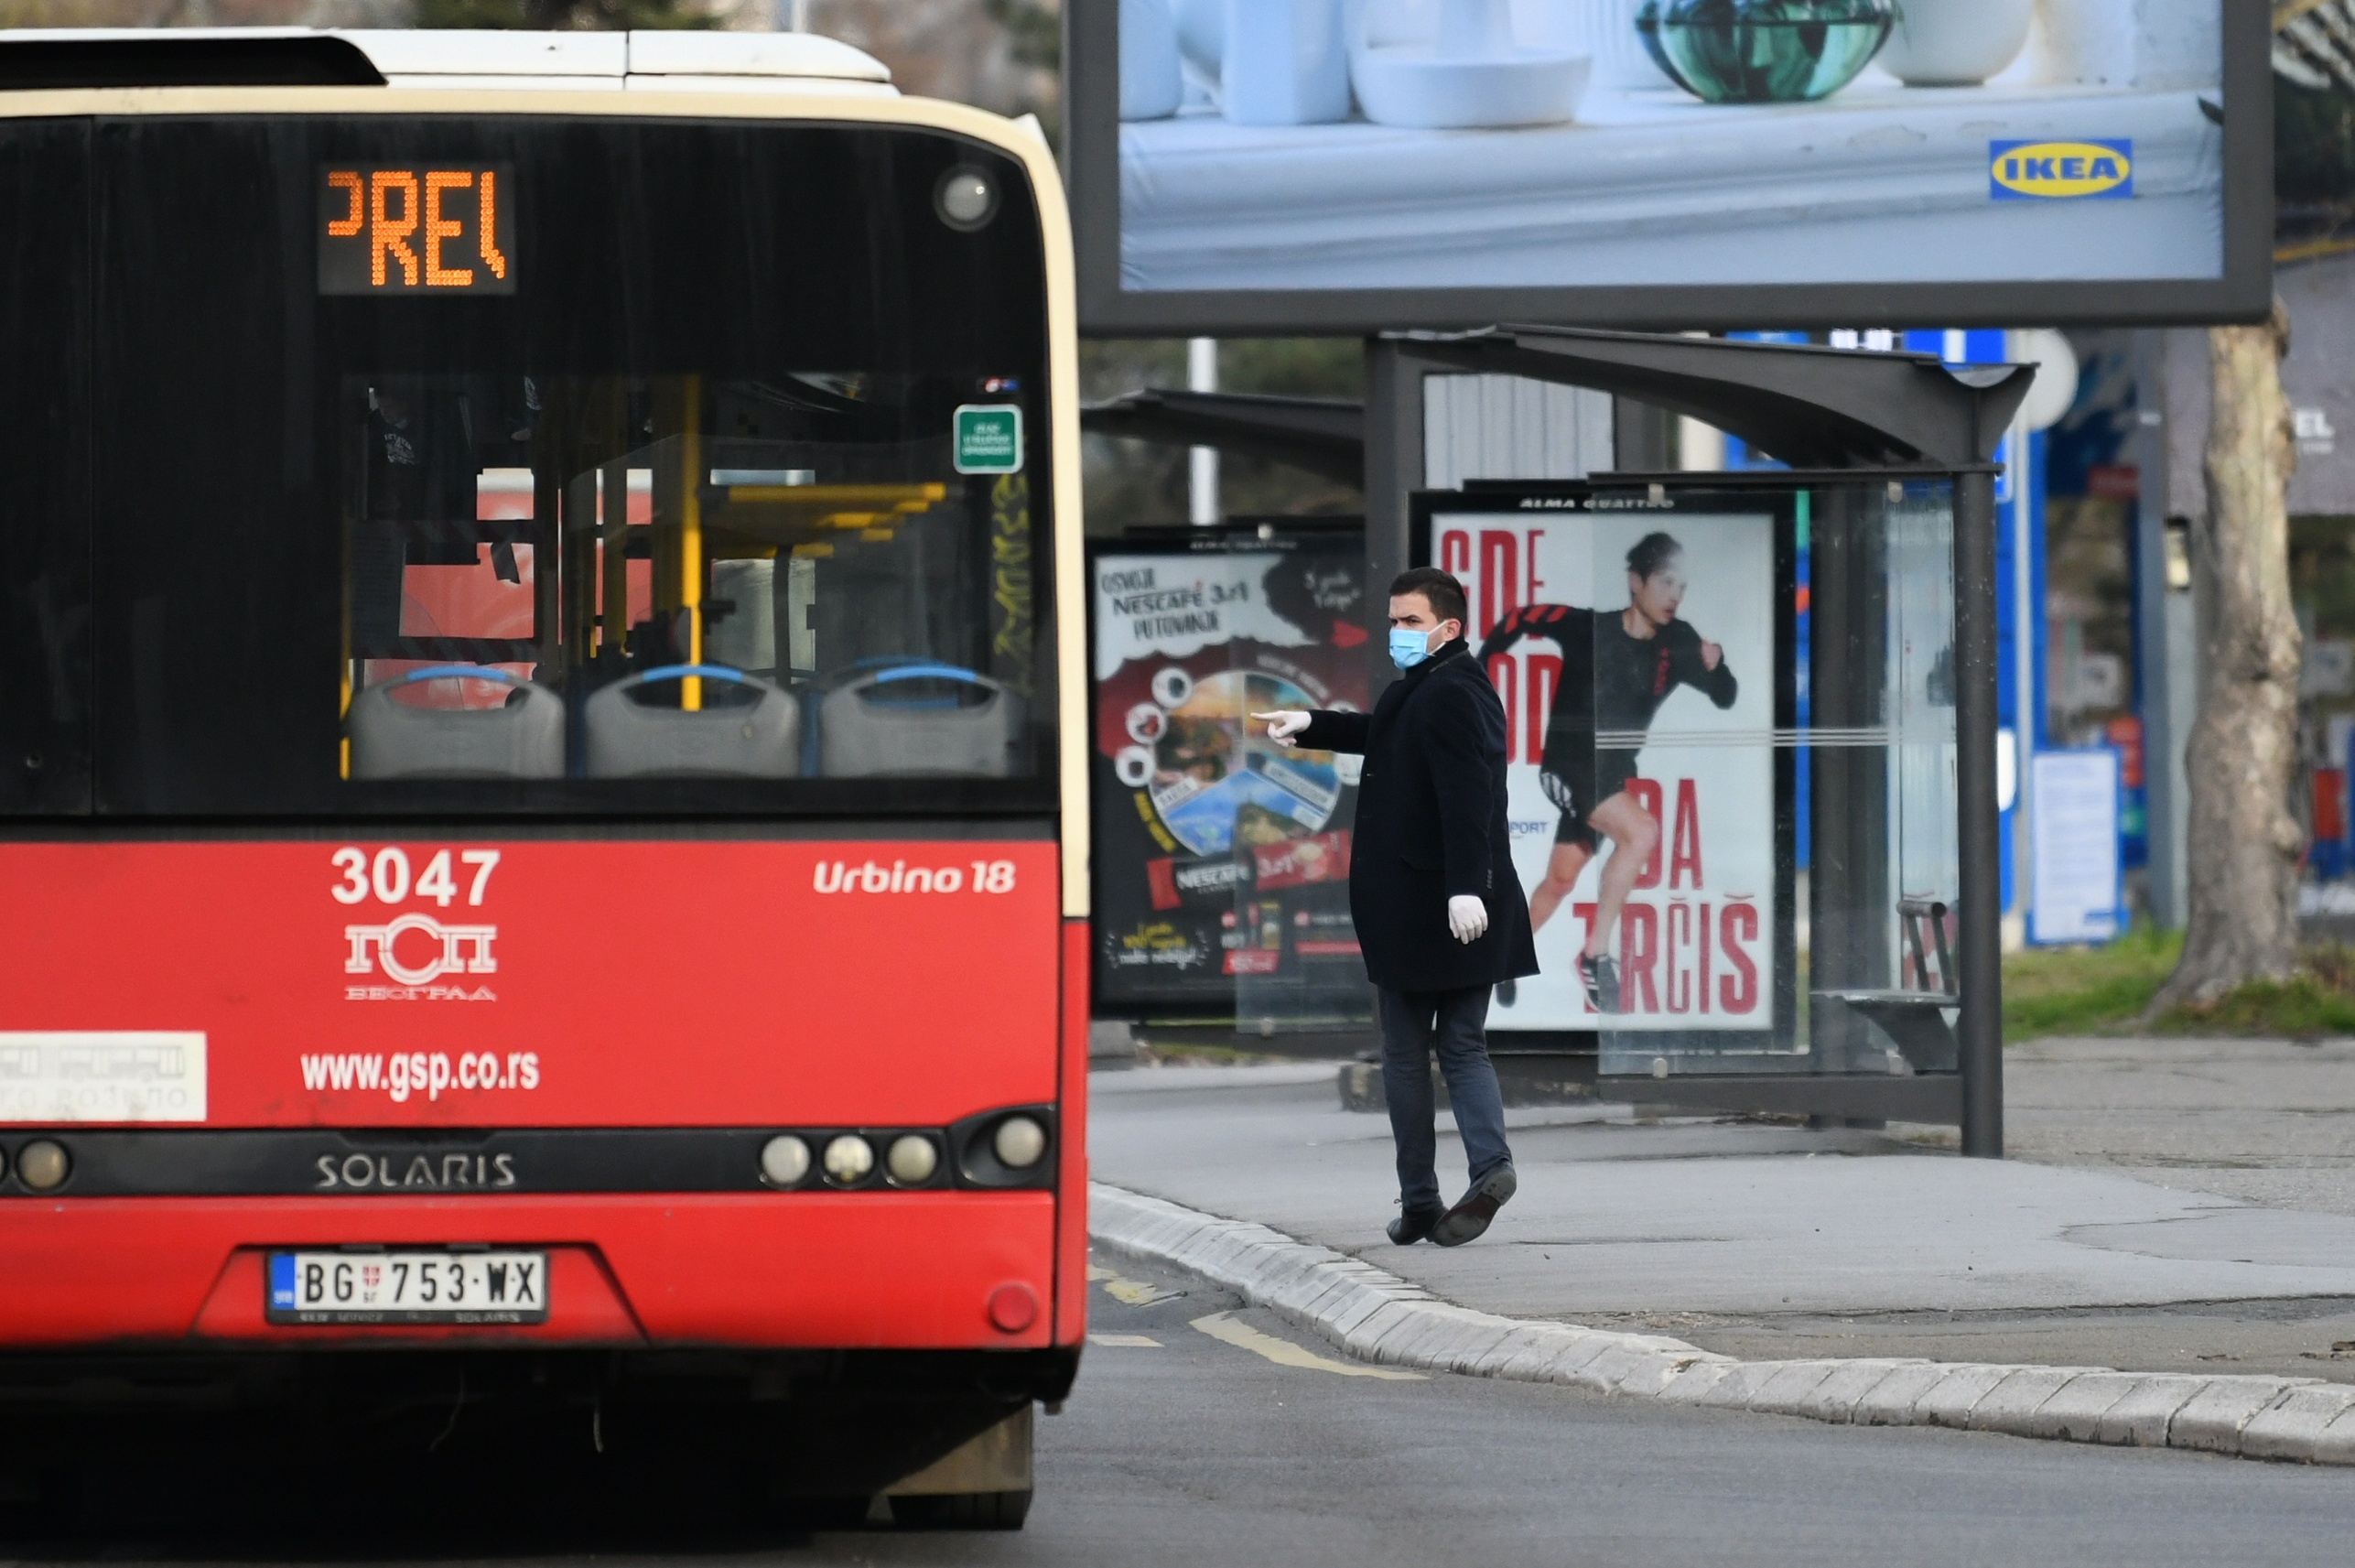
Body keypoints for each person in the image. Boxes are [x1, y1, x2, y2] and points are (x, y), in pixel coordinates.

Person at [1253, 568, 1538, 1248]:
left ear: (1449, 628)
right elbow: (1386, 733)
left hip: (1427, 905)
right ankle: (1488, 1167)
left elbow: (1469, 795)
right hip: (1461, 901)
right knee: (1464, 1044)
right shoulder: (1440, 686)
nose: (1396, 633)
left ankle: (1420, 1198)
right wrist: (1312, 723)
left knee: (1407, 1054)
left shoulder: (1445, 694)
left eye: (1410, 621)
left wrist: (1464, 884)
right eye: (1392, 620)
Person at [1475, 532, 1735, 1014]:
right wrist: (1481, 668)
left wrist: (1716, 667)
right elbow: (1520, 618)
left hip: (1611, 775)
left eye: (1682, 585)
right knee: (1641, 833)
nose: (1675, 595)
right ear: (1636, 581)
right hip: (1566, 766)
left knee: (1560, 880)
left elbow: (1724, 696)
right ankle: (1596, 956)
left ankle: (1495, 959)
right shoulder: (1586, 627)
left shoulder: (1678, 642)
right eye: (1664, 581)